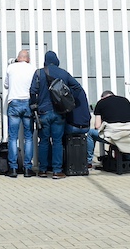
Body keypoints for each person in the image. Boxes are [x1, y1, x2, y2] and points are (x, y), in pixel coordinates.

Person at [29, 50, 83, 178]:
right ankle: (57, 170)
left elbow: (32, 91)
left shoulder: (38, 73)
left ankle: (42, 170)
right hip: (59, 113)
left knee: (43, 141)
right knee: (57, 141)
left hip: (43, 112)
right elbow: (77, 87)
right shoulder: (63, 73)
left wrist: (35, 105)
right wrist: (67, 97)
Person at [4, 49, 36, 177]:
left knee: (13, 137)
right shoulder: (33, 68)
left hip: (14, 103)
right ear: (28, 59)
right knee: (28, 137)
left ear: (18, 58)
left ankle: (13, 168)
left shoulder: (11, 68)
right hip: (28, 103)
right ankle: (28, 168)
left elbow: (6, 85)